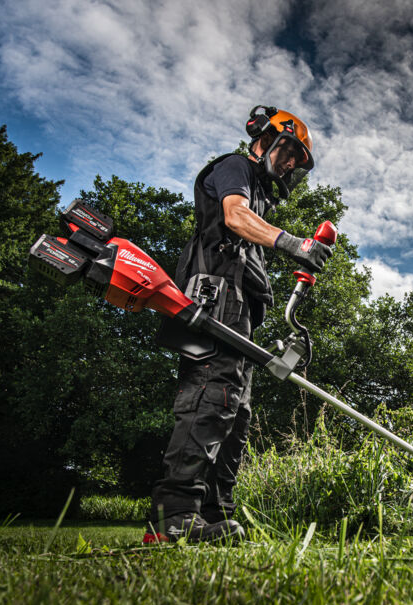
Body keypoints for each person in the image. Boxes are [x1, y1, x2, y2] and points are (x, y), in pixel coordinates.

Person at [144, 106, 332, 544]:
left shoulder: (261, 196)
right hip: (215, 300)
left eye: (297, 162)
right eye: (288, 153)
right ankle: (173, 517)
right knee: (211, 397)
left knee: (235, 414)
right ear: (264, 140)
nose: (290, 165)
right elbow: (234, 216)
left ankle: (214, 517)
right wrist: (292, 242)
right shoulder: (235, 169)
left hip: (239, 313)